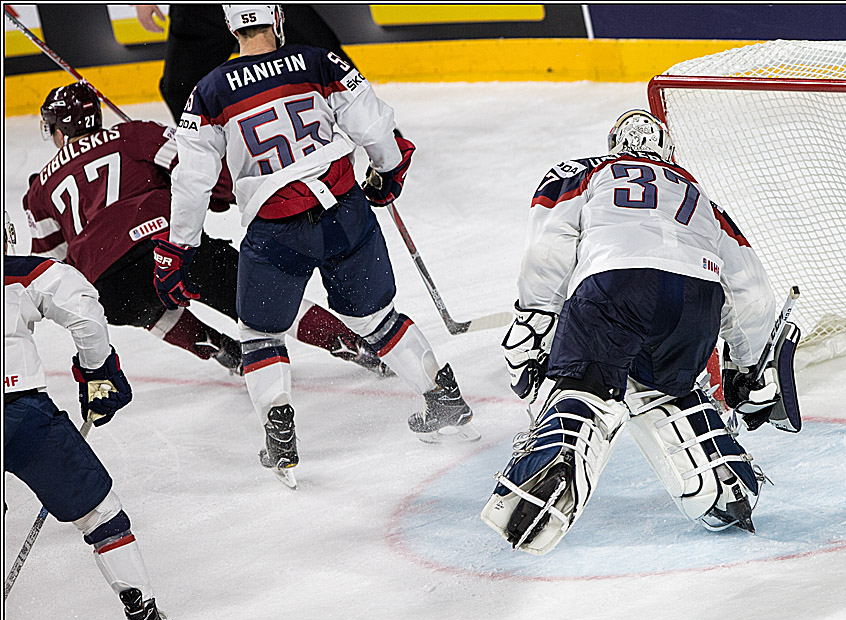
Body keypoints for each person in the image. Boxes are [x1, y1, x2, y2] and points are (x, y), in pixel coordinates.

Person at [161, 4, 477, 487]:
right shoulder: (319, 61)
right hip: (345, 214)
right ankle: (443, 399)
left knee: (260, 336)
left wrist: (180, 247)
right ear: (277, 19)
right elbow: (373, 126)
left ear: (230, 26)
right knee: (377, 320)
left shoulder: (207, 92)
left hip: (276, 229)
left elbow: (192, 182)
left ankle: (280, 435)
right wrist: (389, 170)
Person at [481, 110, 802, 555]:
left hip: (615, 282)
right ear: (668, 151)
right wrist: (749, 368)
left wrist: (536, 317)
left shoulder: (582, 171)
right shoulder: (698, 194)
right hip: (696, 300)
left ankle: (538, 490)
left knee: (582, 386)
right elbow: (749, 287)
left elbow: (548, 245)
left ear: (612, 142)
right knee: (663, 390)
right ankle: (724, 487)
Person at [23, 81, 391, 380]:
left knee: (144, 306)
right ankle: (353, 344)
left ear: (58, 132)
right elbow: (194, 165)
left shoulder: (38, 188)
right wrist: (228, 194)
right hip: (165, 247)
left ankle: (218, 347)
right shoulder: (132, 134)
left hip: (106, 284)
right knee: (259, 301)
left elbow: (49, 267)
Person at [3, 212, 178, 620]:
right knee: (100, 515)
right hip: (20, 415)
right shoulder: (19, 273)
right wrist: (98, 372)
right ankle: (146, 617)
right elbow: (82, 306)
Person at [134, 4, 360, 123]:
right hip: (199, 10)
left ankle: (378, 128)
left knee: (327, 58)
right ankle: (215, 165)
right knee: (180, 88)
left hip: (265, 5)